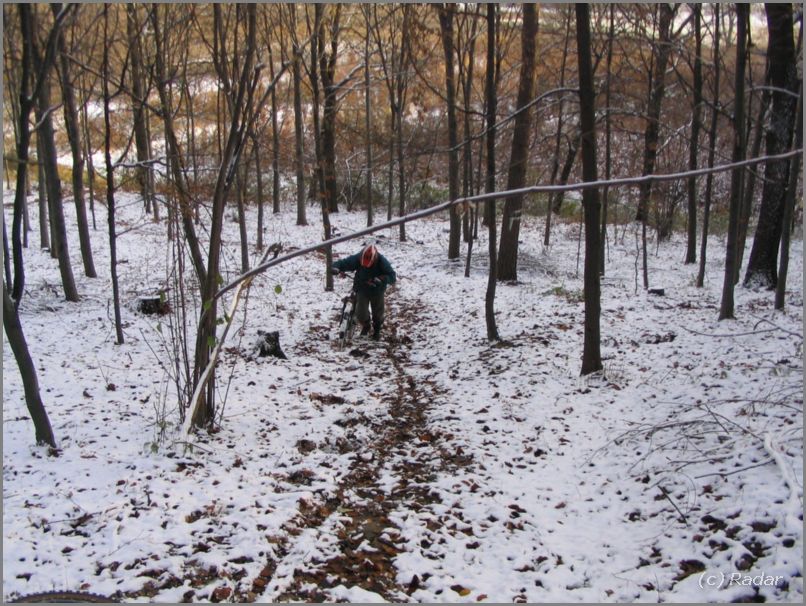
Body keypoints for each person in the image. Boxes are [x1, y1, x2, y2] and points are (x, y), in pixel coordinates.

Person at [331, 244, 396, 340]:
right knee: (360, 313)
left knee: (378, 314)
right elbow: (345, 263)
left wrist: (381, 279)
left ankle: (377, 331)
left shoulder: (382, 261)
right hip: (362, 288)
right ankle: (366, 325)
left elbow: (392, 276)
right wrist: (335, 267)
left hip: (377, 290)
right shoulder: (358, 257)